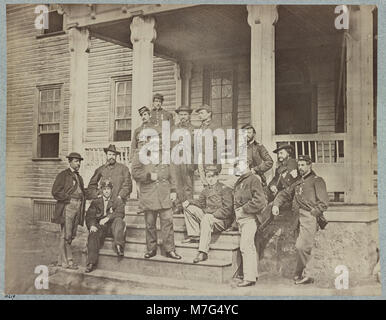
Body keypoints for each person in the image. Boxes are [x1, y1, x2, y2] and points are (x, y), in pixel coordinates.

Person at [272, 155, 329, 285]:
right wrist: (276, 205)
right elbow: (284, 194)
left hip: (309, 217)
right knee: (301, 247)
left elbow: (324, 203)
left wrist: (313, 213)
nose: (301, 168)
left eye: (303, 165)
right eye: (299, 165)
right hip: (296, 218)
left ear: (310, 165)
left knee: (302, 246)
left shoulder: (317, 180)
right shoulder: (297, 183)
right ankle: (301, 274)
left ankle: (306, 274)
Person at [131, 141, 182, 260]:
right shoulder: (140, 155)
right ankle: (151, 249)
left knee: (168, 223)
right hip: (149, 195)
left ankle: (170, 250)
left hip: (164, 195)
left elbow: (173, 175)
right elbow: (135, 173)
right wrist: (148, 176)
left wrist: (173, 190)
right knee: (150, 224)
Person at [181, 164, 234, 263]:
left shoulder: (224, 189)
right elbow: (200, 204)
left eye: (213, 176)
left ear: (217, 176)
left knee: (207, 218)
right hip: (208, 218)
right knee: (189, 208)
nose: (210, 179)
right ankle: (195, 235)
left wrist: (212, 215)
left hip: (221, 220)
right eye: (208, 176)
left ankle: (203, 252)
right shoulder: (205, 190)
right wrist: (189, 201)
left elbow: (227, 210)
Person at [233, 157, 269, 287]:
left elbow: (260, 201)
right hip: (241, 219)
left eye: (240, 164)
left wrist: (244, 209)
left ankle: (248, 278)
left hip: (250, 218)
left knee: (245, 246)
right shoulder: (240, 181)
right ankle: (252, 275)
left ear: (247, 164)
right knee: (250, 247)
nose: (238, 167)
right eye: (236, 165)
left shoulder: (253, 179)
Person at [51, 152, 86, 270]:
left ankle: (61, 261)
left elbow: (82, 192)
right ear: (70, 162)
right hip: (68, 206)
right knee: (67, 234)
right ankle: (69, 261)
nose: (79, 163)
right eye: (76, 161)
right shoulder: (63, 175)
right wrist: (68, 199)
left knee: (70, 234)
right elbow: (55, 191)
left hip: (78, 206)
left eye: (79, 161)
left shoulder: (79, 177)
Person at [85, 179, 126, 273]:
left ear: (111, 190)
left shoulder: (117, 200)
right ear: (101, 190)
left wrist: (108, 218)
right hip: (101, 227)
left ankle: (119, 246)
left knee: (119, 221)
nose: (106, 191)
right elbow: (90, 215)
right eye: (104, 189)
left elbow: (120, 213)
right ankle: (91, 262)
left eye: (108, 189)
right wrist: (91, 225)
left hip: (113, 227)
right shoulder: (96, 202)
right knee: (93, 233)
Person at [171, 106, 196, 214]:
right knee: (177, 183)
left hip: (188, 159)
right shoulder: (174, 129)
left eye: (185, 114)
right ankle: (178, 205)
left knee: (188, 183)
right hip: (176, 159)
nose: (183, 117)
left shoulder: (193, 129)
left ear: (189, 116)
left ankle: (189, 205)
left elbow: (196, 147)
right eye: (181, 115)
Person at [195, 104, 221, 187]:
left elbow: (220, 145)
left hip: (211, 159)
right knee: (204, 182)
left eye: (202, 113)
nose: (199, 115)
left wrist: (213, 158)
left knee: (212, 182)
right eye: (198, 114)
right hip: (201, 158)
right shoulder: (200, 127)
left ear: (209, 113)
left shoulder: (215, 126)